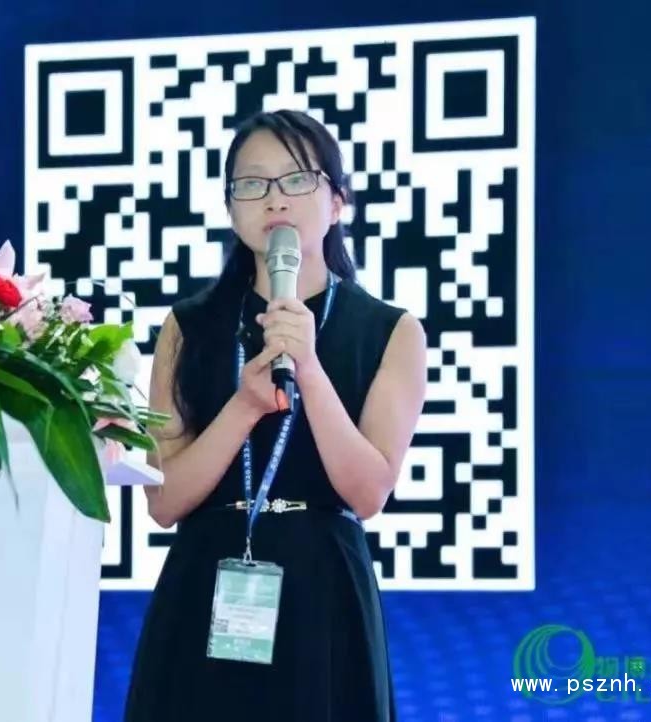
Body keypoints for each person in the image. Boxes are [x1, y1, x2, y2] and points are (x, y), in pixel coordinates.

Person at [123, 109, 427, 722]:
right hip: (206, 579)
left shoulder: (390, 330)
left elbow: (368, 491)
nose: (274, 198)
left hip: (323, 587)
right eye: (252, 183)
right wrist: (244, 405)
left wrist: (308, 368)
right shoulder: (187, 327)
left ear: (337, 202)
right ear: (231, 208)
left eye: (296, 179)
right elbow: (164, 501)